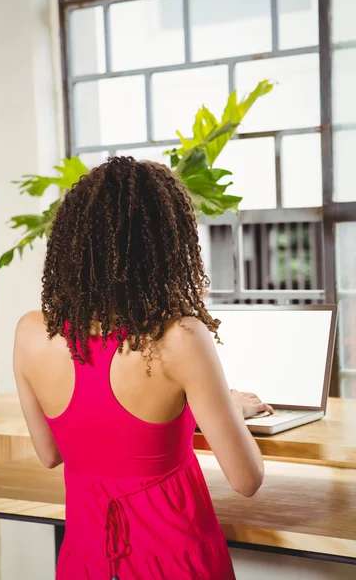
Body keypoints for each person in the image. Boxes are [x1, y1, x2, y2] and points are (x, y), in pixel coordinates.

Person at [14, 156, 273, 580]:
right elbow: (247, 479)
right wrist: (222, 410)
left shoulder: (30, 332)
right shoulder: (179, 338)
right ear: (167, 247)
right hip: (178, 562)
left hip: (86, 561)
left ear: (74, 243)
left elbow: (50, 453)